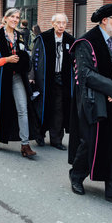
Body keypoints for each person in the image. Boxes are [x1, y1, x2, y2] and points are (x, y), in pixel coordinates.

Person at [68, 4, 112, 209]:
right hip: (95, 102)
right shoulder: (86, 43)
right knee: (91, 143)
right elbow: (85, 74)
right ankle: (77, 175)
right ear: (105, 20)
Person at [0, 8, 39, 157]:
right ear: (5, 18)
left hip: (16, 77)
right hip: (1, 79)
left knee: (23, 108)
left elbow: (26, 54)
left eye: (18, 17)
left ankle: (25, 144)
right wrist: (7, 60)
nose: (15, 20)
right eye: (13, 17)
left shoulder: (20, 37)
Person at [31, 13, 75, 150]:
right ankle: (39, 135)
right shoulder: (43, 39)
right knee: (43, 107)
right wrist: (32, 76)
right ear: (52, 23)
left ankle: (56, 140)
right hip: (44, 79)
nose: (61, 26)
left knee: (59, 110)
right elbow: (34, 59)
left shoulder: (70, 40)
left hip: (62, 80)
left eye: (63, 23)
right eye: (58, 23)